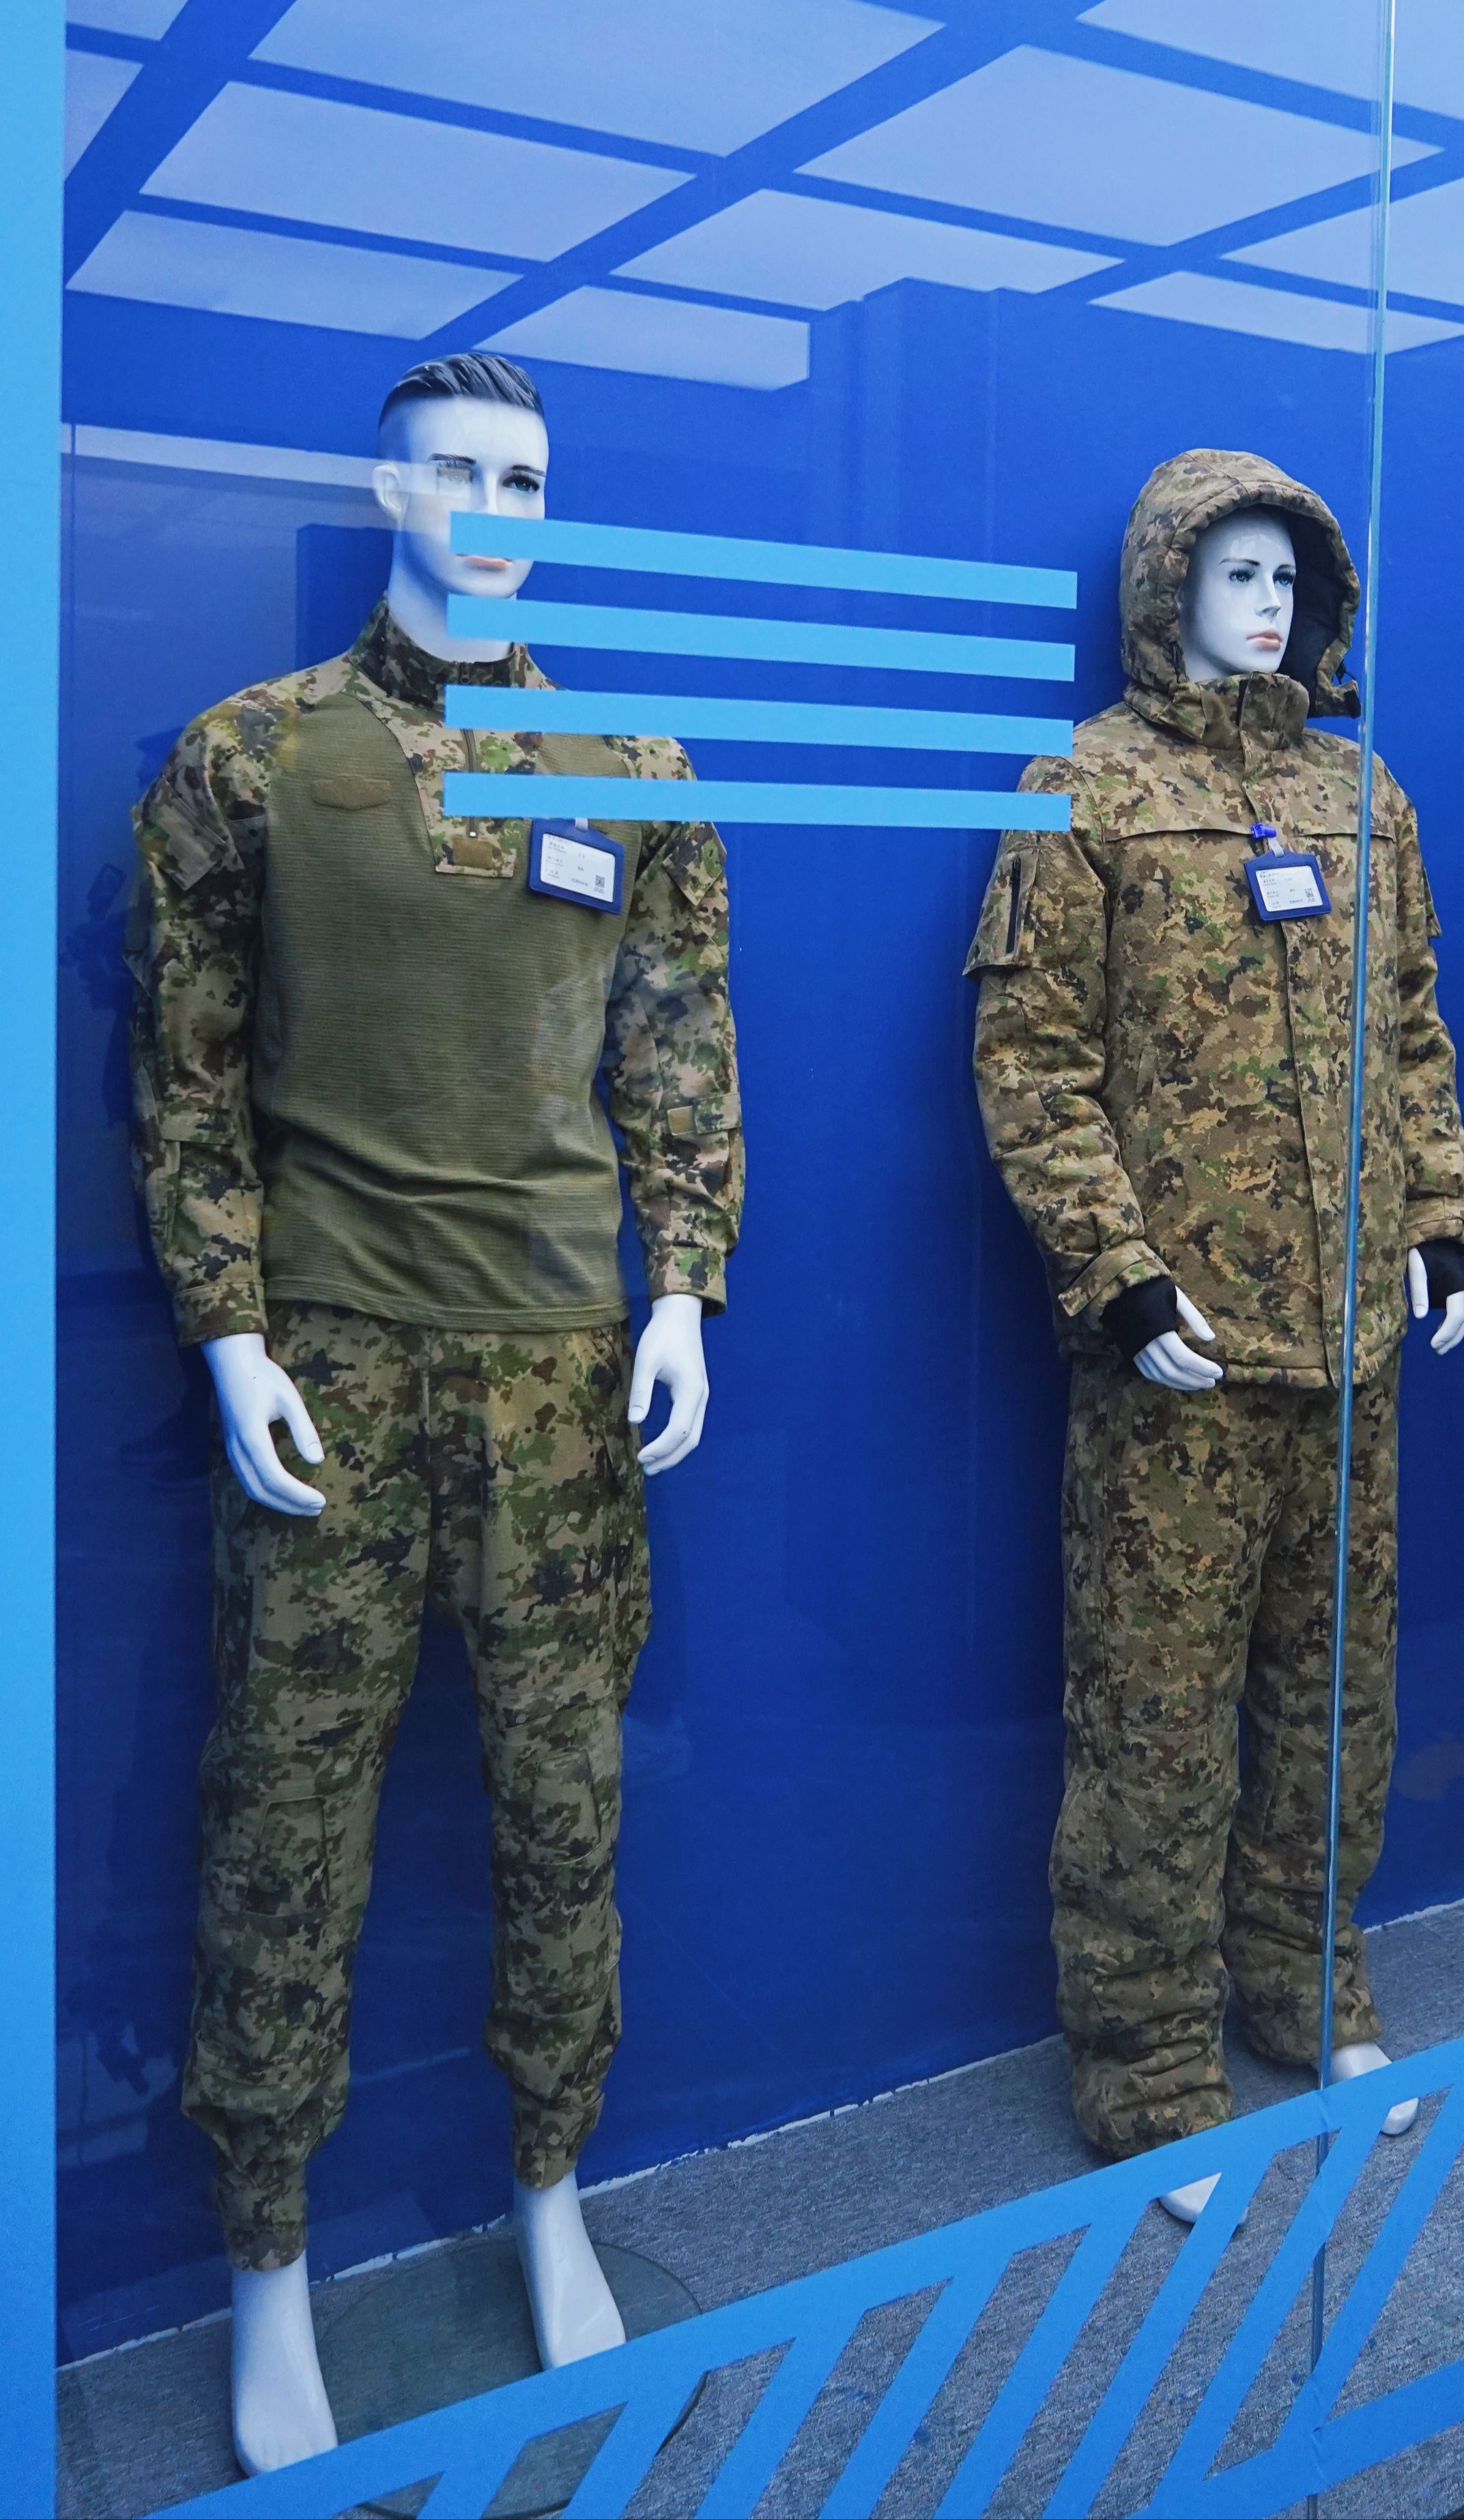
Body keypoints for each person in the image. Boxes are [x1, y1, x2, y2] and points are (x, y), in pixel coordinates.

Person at [128, 351, 740, 2470]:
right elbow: (186, 1079)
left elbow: (679, 1059)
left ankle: (553, 2185)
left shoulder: (631, 768)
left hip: (563, 1373)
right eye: (458, 468)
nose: (493, 503)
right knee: (285, 1824)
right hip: (334, 1364)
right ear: (385, 487)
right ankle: (267, 2261)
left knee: (567, 1807)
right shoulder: (253, 758)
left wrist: (690, 1292)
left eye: (529, 477)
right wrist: (229, 1333)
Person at [968, 448, 1464, 2217]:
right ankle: (1149, 2067)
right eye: (1236, 572)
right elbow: (1030, 1060)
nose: (1268, 605)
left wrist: (1434, 1217)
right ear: (1166, 584)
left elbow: (1415, 1026)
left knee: (1338, 1699)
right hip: (1179, 1359)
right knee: (1156, 1725)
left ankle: (1309, 1987)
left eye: (1289, 578)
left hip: (1349, 1352)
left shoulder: (1361, 795)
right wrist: (1115, 1271)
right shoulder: (1088, 787)